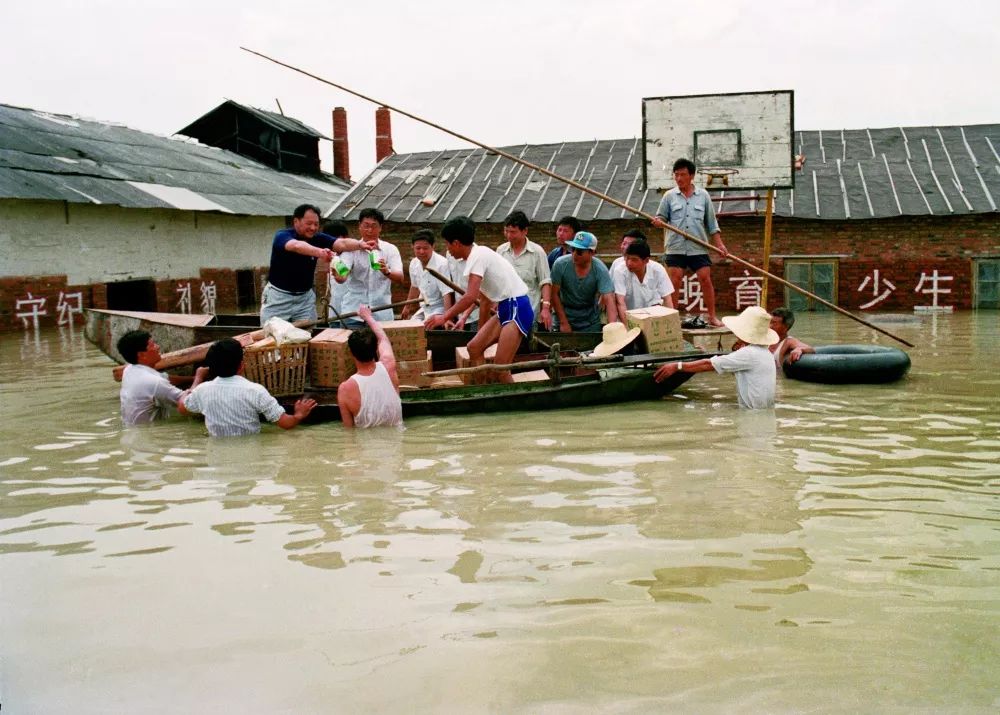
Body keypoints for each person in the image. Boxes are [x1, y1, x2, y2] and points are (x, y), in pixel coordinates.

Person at [425, 216, 533, 384]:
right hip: (506, 308)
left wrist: (444, 317)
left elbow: (470, 297)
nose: (448, 250)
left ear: (456, 243)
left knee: (501, 368)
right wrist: (475, 327)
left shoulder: (477, 256)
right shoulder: (476, 255)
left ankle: (518, 407)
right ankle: (483, 389)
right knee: (474, 348)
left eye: (447, 244)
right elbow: (484, 300)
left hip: (517, 307)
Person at [261, 204, 373, 325]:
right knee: (272, 337)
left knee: (306, 336)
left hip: (305, 299)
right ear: (296, 221)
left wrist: (360, 245)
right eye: (309, 223)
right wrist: (320, 252)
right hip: (278, 297)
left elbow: (342, 243)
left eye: (316, 224)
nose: (313, 228)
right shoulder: (283, 236)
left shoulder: (318, 238)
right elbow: (296, 246)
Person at [178, 338, 316, 436]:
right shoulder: (255, 391)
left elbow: (182, 408)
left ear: (211, 367)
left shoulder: (203, 391)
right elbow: (285, 423)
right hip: (250, 452)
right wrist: (299, 415)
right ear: (241, 366)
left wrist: (196, 381)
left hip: (216, 452)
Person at [651, 158, 729, 327]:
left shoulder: (703, 196)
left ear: (691, 176)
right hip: (675, 246)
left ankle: (712, 317)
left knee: (705, 278)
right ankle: (671, 319)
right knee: (674, 281)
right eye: (676, 175)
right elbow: (661, 217)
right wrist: (658, 221)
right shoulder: (669, 196)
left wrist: (719, 245)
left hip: (698, 246)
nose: (679, 178)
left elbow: (711, 224)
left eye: (683, 174)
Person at [653, 305, 778, 409]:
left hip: (752, 417)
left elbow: (709, 364)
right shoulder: (765, 353)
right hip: (764, 413)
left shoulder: (748, 353)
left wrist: (677, 366)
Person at [117, 330, 207, 426]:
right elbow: (187, 403)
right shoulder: (154, 382)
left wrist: (192, 378)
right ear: (142, 355)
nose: (158, 347)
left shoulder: (129, 370)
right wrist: (199, 378)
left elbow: (164, 378)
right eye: (153, 345)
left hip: (130, 427)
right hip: (149, 433)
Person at [334, 208, 404, 326]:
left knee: (382, 344)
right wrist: (336, 269)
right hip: (354, 313)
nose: (370, 230)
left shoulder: (390, 249)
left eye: (374, 226)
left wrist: (386, 271)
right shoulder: (351, 249)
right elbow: (342, 276)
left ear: (380, 227)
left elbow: (400, 278)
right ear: (359, 226)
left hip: (381, 313)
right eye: (366, 225)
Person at [337, 305, 404, 428]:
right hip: (397, 443)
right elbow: (383, 338)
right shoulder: (388, 365)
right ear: (375, 351)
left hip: (366, 445)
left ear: (351, 353)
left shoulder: (345, 389)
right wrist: (368, 317)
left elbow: (349, 432)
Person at [550, 231, 618, 332]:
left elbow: (609, 299)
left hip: (589, 318)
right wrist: (563, 322)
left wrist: (612, 327)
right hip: (564, 313)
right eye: (573, 249)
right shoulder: (560, 264)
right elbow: (553, 294)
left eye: (580, 252)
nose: (574, 254)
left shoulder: (600, 269)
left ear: (592, 252)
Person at [496, 210, 553, 330]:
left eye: (513, 232)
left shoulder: (537, 252)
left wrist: (546, 308)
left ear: (525, 231)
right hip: (505, 313)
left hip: (529, 313)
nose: (509, 235)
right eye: (506, 231)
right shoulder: (501, 251)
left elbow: (545, 282)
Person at [400, 229, 454, 322]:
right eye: (418, 248)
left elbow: (447, 293)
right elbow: (414, 287)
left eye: (425, 248)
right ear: (412, 247)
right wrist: (407, 307)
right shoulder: (414, 263)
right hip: (425, 307)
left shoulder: (441, 264)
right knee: (411, 325)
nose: (421, 252)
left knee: (424, 328)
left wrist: (447, 318)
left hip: (439, 308)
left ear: (433, 246)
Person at [613, 239, 675, 319]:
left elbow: (667, 299)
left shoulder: (658, 270)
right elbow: (620, 302)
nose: (629, 263)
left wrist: (671, 323)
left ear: (646, 260)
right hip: (628, 317)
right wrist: (628, 327)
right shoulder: (620, 271)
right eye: (627, 258)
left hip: (652, 317)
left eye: (634, 259)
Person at [322, 219, 351, 322]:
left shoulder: (350, 254)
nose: (332, 243)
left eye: (335, 239)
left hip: (349, 314)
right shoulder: (333, 255)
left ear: (344, 238)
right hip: (335, 313)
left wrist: (333, 258)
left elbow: (343, 273)